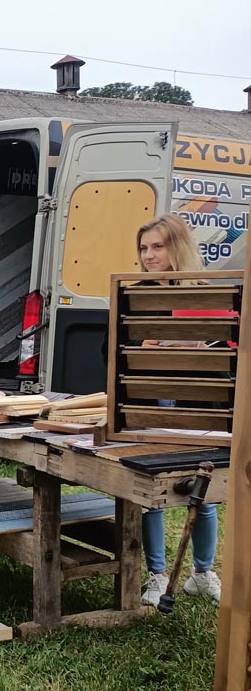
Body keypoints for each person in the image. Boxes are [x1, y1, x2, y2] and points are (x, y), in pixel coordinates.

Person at [136, 214, 221, 606]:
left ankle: (201, 574)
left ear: (178, 247)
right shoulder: (132, 291)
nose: (149, 255)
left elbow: (226, 352)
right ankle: (156, 576)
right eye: (144, 248)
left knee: (203, 491)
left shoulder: (205, 293)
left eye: (158, 246)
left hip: (195, 404)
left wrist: (203, 348)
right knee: (150, 490)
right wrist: (142, 346)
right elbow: (109, 352)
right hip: (147, 403)